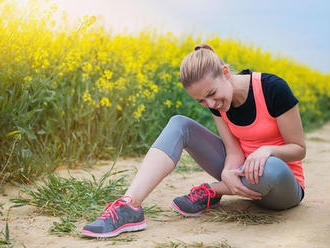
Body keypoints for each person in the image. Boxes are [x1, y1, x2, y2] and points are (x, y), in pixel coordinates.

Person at [81, 43, 306, 238]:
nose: (210, 104)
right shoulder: (219, 104)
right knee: (179, 123)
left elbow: (298, 149)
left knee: (269, 167)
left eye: (211, 93)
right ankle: (129, 206)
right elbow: (234, 151)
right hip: (241, 175)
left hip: (281, 186)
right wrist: (228, 171)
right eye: (201, 101)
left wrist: (266, 150)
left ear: (225, 72)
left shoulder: (273, 88)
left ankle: (214, 190)